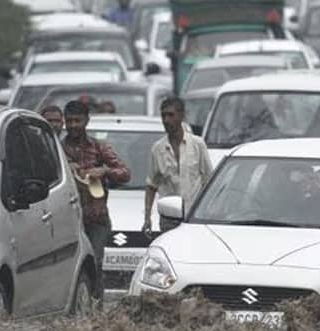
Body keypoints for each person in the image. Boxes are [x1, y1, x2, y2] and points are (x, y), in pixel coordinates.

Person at [61, 99, 130, 301]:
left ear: (86, 121)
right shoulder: (58, 149)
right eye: (69, 121)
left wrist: (105, 171)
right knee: (68, 267)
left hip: (96, 219)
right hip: (67, 219)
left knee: (95, 265)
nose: (73, 125)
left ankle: (95, 309)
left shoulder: (99, 148)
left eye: (77, 121)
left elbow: (125, 173)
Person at [144, 98, 213, 234]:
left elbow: (209, 181)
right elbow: (152, 185)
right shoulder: (158, 149)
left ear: (181, 116)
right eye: (163, 115)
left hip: (194, 218)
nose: (166, 120)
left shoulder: (197, 144)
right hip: (168, 219)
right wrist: (147, 218)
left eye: (171, 115)